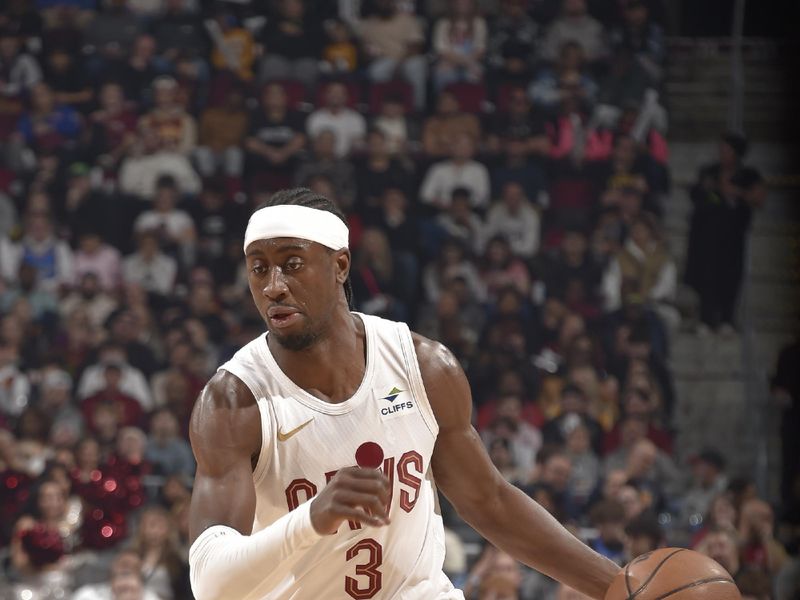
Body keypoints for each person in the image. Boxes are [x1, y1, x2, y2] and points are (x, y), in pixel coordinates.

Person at [187, 188, 620, 599]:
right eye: (259, 267)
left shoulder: (423, 367)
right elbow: (210, 583)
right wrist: (311, 518)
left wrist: (617, 586)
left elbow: (490, 501)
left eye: (293, 263)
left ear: (340, 266)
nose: (273, 286)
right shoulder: (232, 403)